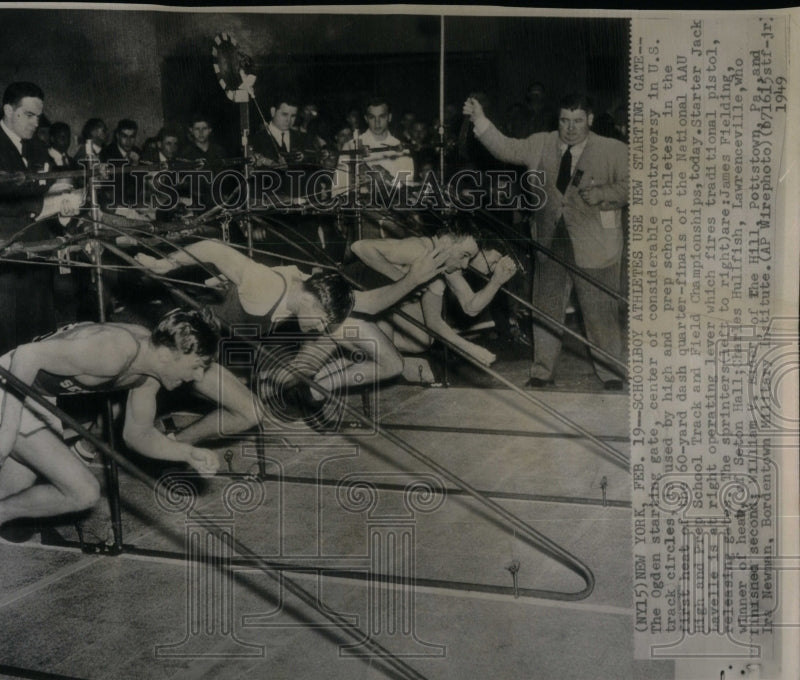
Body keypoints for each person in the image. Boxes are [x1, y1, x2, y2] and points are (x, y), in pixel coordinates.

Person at [0, 308, 229, 580]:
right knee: (83, 491)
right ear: (174, 352)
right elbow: (27, 355)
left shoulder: (146, 372)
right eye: (197, 365)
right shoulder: (115, 350)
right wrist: (7, 431)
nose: (197, 378)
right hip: (4, 390)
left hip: (36, 400)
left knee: (8, 501)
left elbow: (138, 434)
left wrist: (188, 451)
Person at [135, 240, 448, 431]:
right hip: (190, 341)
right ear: (312, 301)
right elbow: (214, 248)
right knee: (141, 386)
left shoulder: (313, 290)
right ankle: (114, 442)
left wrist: (412, 280)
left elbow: (370, 303)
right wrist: (164, 264)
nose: (321, 330)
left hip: (221, 344)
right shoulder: (265, 286)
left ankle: (316, 388)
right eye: (322, 322)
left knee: (391, 363)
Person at [462, 93, 627, 390]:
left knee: (600, 310)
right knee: (546, 308)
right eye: (565, 121)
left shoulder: (614, 149)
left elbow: (635, 187)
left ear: (589, 119)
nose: (570, 128)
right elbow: (506, 148)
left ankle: (612, 372)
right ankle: (542, 371)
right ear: (558, 120)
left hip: (597, 245)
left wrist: (604, 194)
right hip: (550, 242)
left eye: (578, 121)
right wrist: (480, 120)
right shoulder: (541, 143)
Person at [0, 81, 84, 357]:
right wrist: (42, 203)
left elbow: (50, 185)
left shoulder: (37, 148)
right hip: (5, 256)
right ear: (8, 110)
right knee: (6, 342)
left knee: (40, 339)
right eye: (28, 115)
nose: (35, 122)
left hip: (38, 255)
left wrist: (64, 207)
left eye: (38, 116)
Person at [350, 231, 518, 375]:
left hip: (385, 297)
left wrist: (496, 281)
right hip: (361, 288)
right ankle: (369, 352)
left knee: (422, 340)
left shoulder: (451, 266)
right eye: (493, 262)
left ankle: (370, 351)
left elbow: (469, 308)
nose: (492, 268)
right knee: (393, 348)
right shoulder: (421, 249)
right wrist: (406, 282)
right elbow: (359, 247)